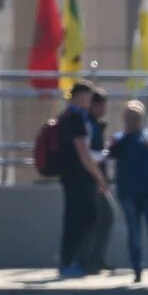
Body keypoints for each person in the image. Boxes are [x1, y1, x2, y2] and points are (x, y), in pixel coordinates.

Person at [105, 101, 148, 283]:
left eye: (135, 117)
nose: (132, 121)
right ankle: (137, 270)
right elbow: (111, 153)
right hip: (129, 193)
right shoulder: (119, 139)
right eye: (129, 117)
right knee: (134, 232)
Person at [53, 80, 109, 278]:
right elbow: (83, 152)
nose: (89, 101)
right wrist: (99, 177)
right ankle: (70, 261)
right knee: (82, 218)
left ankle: (70, 260)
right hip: (77, 176)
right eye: (87, 97)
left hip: (72, 175)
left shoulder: (69, 116)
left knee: (79, 218)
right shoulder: (75, 118)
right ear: (79, 97)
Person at [78, 89, 118, 275]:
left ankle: (96, 259)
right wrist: (105, 155)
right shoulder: (87, 124)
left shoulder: (96, 124)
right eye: (100, 106)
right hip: (91, 178)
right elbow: (87, 153)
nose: (103, 109)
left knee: (103, 217)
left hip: (98, 178)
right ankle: (88, 260)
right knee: (99, 217)